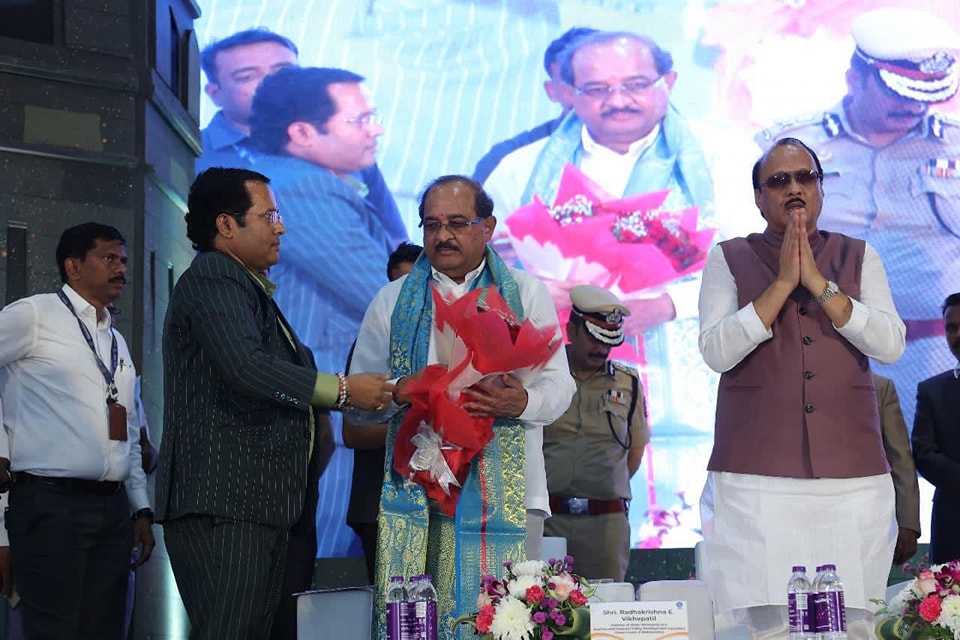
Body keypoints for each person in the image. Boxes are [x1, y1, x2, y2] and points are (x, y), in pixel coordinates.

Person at [155, 167, 394, 639]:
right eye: (269, 216)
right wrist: (343, 391)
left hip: (259, 506)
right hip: (228, 502)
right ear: (227, 225)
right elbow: (246, 367)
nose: (280, 227)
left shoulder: (249, 287)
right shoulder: (216, 275)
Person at [350, 175, 575, 638]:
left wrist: (522, 400)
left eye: (457, 223)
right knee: (419, 622)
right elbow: (359, 402)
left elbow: (560, 386)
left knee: (505, 620)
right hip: (417, 488)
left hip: (511, 490)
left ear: (487, 226)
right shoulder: (392, 301)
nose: (443, 236)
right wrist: (402, 391)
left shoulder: (525, 293)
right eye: (432, 225)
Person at [698, 138, 905, 638]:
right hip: (756, 480)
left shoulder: (859, 255)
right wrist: (781, 284)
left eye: (805, 177)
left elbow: (890, 344)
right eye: (779, 181)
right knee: (770, 624)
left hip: (851, 478)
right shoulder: (729, 257)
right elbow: (716, 351)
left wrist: (818, 283)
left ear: (821, 188)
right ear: (758, 197)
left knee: (855, 623)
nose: (794, 188)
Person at [483, 29, 714, 435]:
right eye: (597, 89)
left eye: (636, 84)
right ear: (569, 93)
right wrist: (528, 291)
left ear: (669, 82)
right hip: (559, 392)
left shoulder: (725, 157)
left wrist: (670, 304)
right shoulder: (520, 170)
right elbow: (475, 274)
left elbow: (767, 265)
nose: (618, 100)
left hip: (699, 393)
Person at [756, 7, 960, 428]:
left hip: (937, 352)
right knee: (828, 460)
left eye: (924, 95)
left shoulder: (955, 145)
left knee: (937, 460)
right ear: (855, 78)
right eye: (899, 92)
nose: (913, 105)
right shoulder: (789, 145)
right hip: (823, 346)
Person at [247, 65, 399, 559]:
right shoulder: (304, 189)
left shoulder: (306, 182)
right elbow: (380, 294)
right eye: (360, 120)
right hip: (328, 404)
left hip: (333, 403)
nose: (376, 129)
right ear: (302, 133)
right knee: (324, 561)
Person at [0, 222, 155, 639]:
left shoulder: (117, 342)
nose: (121, 268)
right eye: (109, 258)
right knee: (54, 631)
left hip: (113, 510)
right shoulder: (35, 315)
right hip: (50, 504)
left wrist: (141, 507)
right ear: (73, 266)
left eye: (123, 260)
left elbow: (129, 433)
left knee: (105, 630)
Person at [197, 27, 407, 246]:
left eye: (284, 71)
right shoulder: (192, 156)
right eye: (247, 76)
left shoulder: (345, 143)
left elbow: (396, 238)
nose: (271, 82)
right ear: (215, 94)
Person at [543, 284, 649, 582]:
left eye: (608, 341)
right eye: (594, 338)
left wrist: (600, 488)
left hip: (606, 525)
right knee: (540, 604)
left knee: (606, 604)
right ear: (572, 330)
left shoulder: (629, 383)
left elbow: (635, 453)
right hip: (549, 521)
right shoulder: (543, 376)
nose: (601, 348)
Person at [343, 241, 423, 585]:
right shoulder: (370, 345)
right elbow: (353, 433)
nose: (404, 296)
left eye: (414, 285)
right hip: (378, 505)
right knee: (391, 610)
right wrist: (424, 432)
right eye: (396, 285)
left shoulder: (448, 343)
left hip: (434, 507)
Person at [471, 27, 596, 183]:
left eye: (601, 82)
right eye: (571, 83)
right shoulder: (504, 161)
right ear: (552, 91)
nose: (589, 94)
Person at [911, 292, 960, 565]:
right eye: (951, 328)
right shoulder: (931, 391)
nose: (957, 335)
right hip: (953, 523)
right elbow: (924, 454)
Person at [872, 373, 921, 566]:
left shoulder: (879, 386)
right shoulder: (783, 381)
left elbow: (900, 459)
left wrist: (908, 523)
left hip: (869, 521)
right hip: (794, 514)